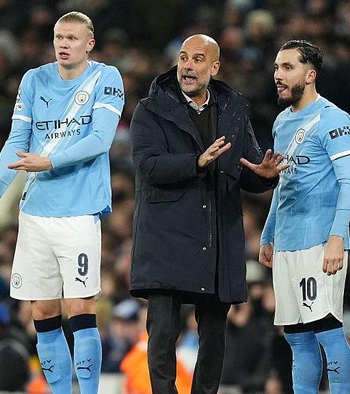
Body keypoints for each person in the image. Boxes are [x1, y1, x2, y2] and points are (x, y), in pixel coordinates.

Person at [129, 34, 286, 393]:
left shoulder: (234, 108)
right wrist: (196, 161)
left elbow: (244, 164)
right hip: (166, 235)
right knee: (164, 330)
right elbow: (148, 165)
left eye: (198, 59)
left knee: (214, 332)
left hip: (217, 233)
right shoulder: (151, 109)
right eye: (183, 57)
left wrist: (262, 177)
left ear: (214, 68)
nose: (187, 65)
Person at [0, 11, 124, 394]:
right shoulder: (33, 79)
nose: (64, 43)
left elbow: (100, 139)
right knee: (42, 311)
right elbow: (17, 139)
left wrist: (48, 160)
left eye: (73, 38)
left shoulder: (105, 78)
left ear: (89, 44)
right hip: (35, 212)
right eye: (59, 36)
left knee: (81, 307)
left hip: (78, 212)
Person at [253, 39, 350, 394]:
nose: (277, 76)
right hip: (286, 241)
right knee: (297, 338)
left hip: (320, 241)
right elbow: (283, 183)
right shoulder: (282, 121)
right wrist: (268, 234)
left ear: (310, 74)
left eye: (287, 68)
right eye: (276, 68)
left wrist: (337, 236)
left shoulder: (333, 119)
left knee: (327, 331)